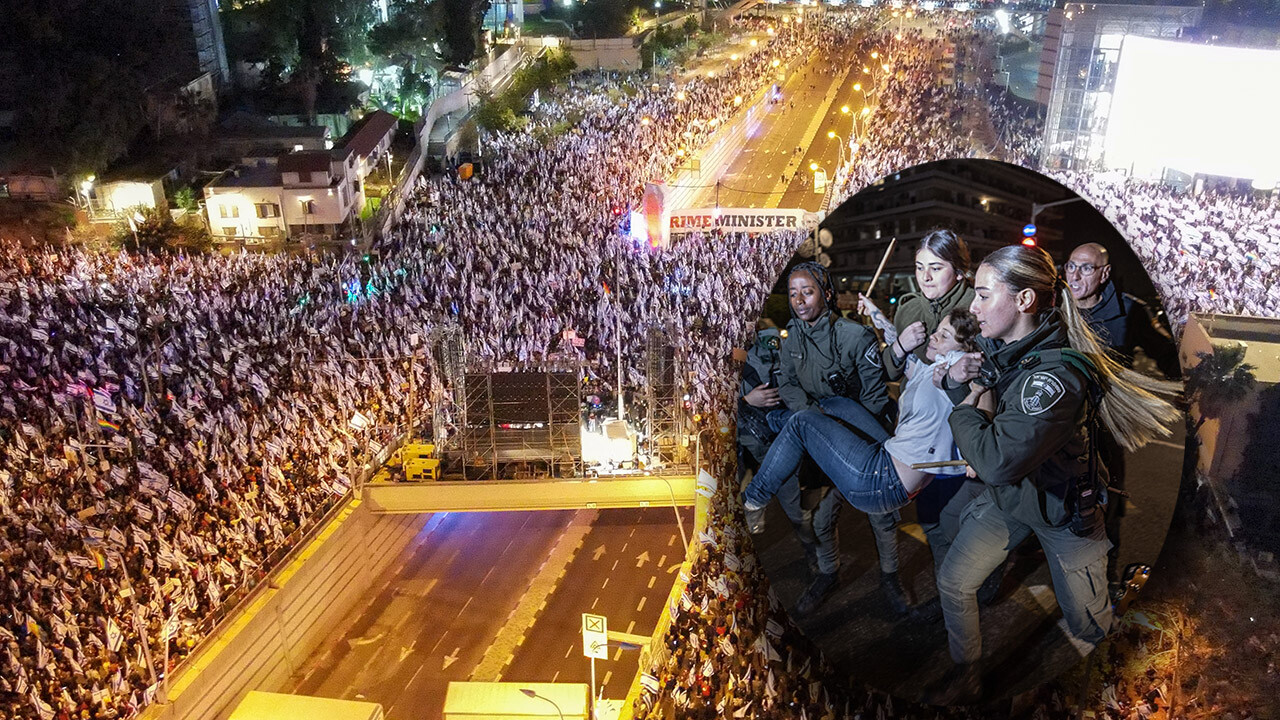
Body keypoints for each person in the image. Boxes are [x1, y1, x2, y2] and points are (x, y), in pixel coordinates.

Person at [932, 244, 1178, 703]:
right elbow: (964, 382)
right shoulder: (1005, 348)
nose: (973, 306)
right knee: (953, 580)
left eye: (984, 295)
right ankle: (967, 671)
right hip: (1015, 499)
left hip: (1064, 508)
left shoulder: (1053, 377)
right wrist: (956, 379)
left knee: (1088, 624)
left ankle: (1123, 610)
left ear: (1024, 301)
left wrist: (964, 408)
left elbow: (995, 460)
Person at [768, 261, 907, 616]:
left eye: (808, 291)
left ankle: (891, 578)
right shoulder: (791, 336)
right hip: (821, 441)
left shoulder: (856, 336)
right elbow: (787, 383)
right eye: (793, 293)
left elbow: (876, 398)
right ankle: (829, 573)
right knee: (820, 520)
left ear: (826, 294)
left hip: (861, 440)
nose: (799, 300)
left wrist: (841, 422)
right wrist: (814, 418)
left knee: (883, 517)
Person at [743, 309, 978, 518]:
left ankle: (753, 499)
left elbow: (964, 367)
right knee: (837, 404)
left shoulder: (955, 365)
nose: (934, 336)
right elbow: (893, 338)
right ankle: (769, 421)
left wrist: (962, 367)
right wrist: (874, 311)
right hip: (890, 457)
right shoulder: (928, 369)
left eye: (944, 336)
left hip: (881, 483)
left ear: (963, 347)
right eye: (936, 331)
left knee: (802, 423)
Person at [1065, 241, 1181, 594]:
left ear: (1104, 273)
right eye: (1070, 265)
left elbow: (1165, 355)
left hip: (1105, 422)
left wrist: (1200, 379)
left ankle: (1107, 575)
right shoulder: (1054, 307)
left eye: (1086, 268)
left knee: (1107, 498)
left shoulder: (1129, 311)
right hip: (1060, 422)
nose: (1075, 275)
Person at [736, 321, 827, 582]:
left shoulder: (767, 337)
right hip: (734, 441)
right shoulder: (712, 339)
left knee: (794, 506)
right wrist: (744, 401)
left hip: (769, 436)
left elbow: (787, 379)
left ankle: (816, 556)